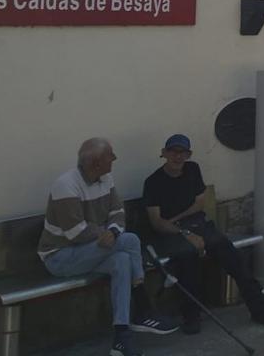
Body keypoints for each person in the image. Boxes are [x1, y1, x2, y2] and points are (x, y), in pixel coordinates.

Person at [38, 137, 178, 356]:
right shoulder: (66, 186)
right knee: (130, 241)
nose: (115, 158)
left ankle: (121, 338)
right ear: (96, 163)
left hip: (94, 249)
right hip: (60, 257)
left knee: (122, 260)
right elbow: (75, 232)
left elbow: (118, 212)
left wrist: (112, 232)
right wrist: (103, 234)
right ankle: (143, 308)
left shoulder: (106, 178)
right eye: (110, 155)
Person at [142, 133, 264, 334]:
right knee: (187, 259)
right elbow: (157, 223)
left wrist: (177, 221)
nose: (178, 157)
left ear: (189, 154)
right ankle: (191, 316)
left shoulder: (192, 169)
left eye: (183, 152)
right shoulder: (153, 182)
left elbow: (199, 204)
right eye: (173, 151)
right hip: (171, 234)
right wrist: (183, 230)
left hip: (196, 224)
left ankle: (260, 309)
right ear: (164, 153)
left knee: (233, 257)